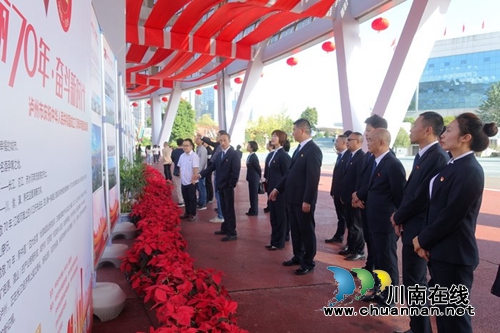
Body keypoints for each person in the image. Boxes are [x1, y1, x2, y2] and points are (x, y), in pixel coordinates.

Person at [413, 113, 497, 333]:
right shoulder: (453, 165)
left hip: (455, 256)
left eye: (449, 130)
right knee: (445, 318)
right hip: (443, 252)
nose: (443, 133)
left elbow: (452, 215)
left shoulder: (469, 170)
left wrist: (422, 239)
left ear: (465, 137)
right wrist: (426, 242)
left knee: (455, 321)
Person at [390, 112, 449, 333]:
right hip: (411, 227)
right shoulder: (423, 155)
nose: (411, 129)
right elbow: (410, 191)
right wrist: (400, 216)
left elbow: (422, 197)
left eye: (415, 125)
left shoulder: (437, 157)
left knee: (416, 284)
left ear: (427, 130)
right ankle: (417, 328)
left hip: (420, 231)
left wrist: (398, 216)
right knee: (413, 284)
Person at [358, 128, 406, 305]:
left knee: (387, 260)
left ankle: (390, 297)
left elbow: (400, 195)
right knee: (378, 259)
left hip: (385, 223)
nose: (367, 142)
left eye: (370, 140)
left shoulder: (392, 164)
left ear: (382, 142)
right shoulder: (376, 162)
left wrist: (398, 220)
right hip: (374, 221)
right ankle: (380, 291)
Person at [270, 119, 322, 275]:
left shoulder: (313, 150)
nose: (292, 133)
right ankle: (298, 256)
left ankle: (308, 261)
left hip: (302, 200)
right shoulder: (298, 149)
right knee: (296, 229)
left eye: (294, 130)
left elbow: (313, 179)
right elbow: (289, 174)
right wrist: (278, 188)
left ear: (302, 130)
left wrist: (308, 200)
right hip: (292, 198)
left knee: (306, 230)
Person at [352, 114, 389, 273]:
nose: (366, 134)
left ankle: (378, 279)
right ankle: (369, 267)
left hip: (377, 209)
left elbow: (376, 184)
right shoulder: (370, 155)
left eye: (369, 130)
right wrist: (357, 195)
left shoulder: (388, 160)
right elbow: (364, 179)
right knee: (370, 241)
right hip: (366, 204)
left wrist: (360, 195)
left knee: (380, 248)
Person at [199, 133, 241, 241]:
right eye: (221, 141)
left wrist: (231, 184)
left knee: (229, 209)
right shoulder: (219, 154)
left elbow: (235, 171)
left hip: (227, 186)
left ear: (229, 141)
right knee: (224, 208)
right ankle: (225, 228)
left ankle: (232, 232)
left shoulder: (233, 154)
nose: (222, 143)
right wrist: (200, 174)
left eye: (225, 140)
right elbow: (212, 167)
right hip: (220, 186)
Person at [338, 132, 366, 261]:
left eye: (350, 139)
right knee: (350, 224)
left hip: (355, 199)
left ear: (359, 142)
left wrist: (357, 197)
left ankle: (359, 250)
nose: (347, 141)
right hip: (347, 197)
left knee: (356, 225)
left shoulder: (361, 157)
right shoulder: (350, 156)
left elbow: (361, 179)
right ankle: (351, 247)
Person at [265, 130, 291, 250]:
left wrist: (278, 189)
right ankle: (274, 240)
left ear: (281, 139)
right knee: (273, 216)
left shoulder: (283, 155)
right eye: (272, 136)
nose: (273, 138)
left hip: (280, 191)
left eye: (275, 136)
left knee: (281, 216)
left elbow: (287, 175)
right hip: (271, 190)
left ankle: (279, 242)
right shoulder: (271, 154)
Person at [326, 132, 351, 245]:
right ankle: (339, 235)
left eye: (337, 142)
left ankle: (348, 242)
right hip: (337, 192)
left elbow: (345, 178)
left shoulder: (348, 156)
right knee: (340, 216)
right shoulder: (340, 156)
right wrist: (333, 191)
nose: (335, 144)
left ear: (344, 143)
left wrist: (341, 193)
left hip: (343, 194)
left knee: (346, 218)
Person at [200, 130, 227, 223]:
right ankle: (221, 213)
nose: (216, 137)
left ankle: (221, 215)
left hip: (220, 175)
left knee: (219, 195)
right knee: (219, 195)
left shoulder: (220, 148)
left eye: (217, 135)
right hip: (217, 173)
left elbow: (213, 160)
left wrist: (205, 171)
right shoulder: (219, 146)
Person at [177, 139, 199, 222]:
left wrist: (193, 180)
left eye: (187, 145)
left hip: (191, 182)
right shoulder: (182, 155)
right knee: (186, 198)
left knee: (192, 199)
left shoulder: (194, 156)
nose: (185, 147)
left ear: (191, 146)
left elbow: (195, 168)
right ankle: (187, 212)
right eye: (184, 145)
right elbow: (179, 166)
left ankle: (193, 214)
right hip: (183, 181)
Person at [245, 141, 261, 216]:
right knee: (251, 194)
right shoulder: (250, 156)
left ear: (251, 147)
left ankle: (254, 210)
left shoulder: (254, 157)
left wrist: (259, 177)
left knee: (254, 195)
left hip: (254, 178)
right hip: (251, 178)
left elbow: (258, 168)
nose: (247, 146)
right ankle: (252, 208)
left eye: (248, 145)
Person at [195, 136, 208, 210]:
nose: (196, 140)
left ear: (202, 141)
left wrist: (198, 172)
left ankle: (202, 203)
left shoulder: (202, 150)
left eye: (198, 139)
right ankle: (200, 201)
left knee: (201, 187)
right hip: (199, 171)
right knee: (199, 188)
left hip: (201, 172)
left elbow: (202, 162)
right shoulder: (198, 148)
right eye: (196, 138)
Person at [171, 139, 185, 207]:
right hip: (186, 170)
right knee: (187, 185)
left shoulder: (174, 151)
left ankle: (181, 201)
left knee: (179, 186)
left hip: (177, 170)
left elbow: (173, 159)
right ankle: (187, 199)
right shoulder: (185, 151)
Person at [262, 141, 275, 213]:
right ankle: (269, 205)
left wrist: (266, 176)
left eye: (267, 144)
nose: (266, 146)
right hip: (268, 177)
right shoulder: (270, 154)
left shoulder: (272, 154)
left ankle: (270, 205)